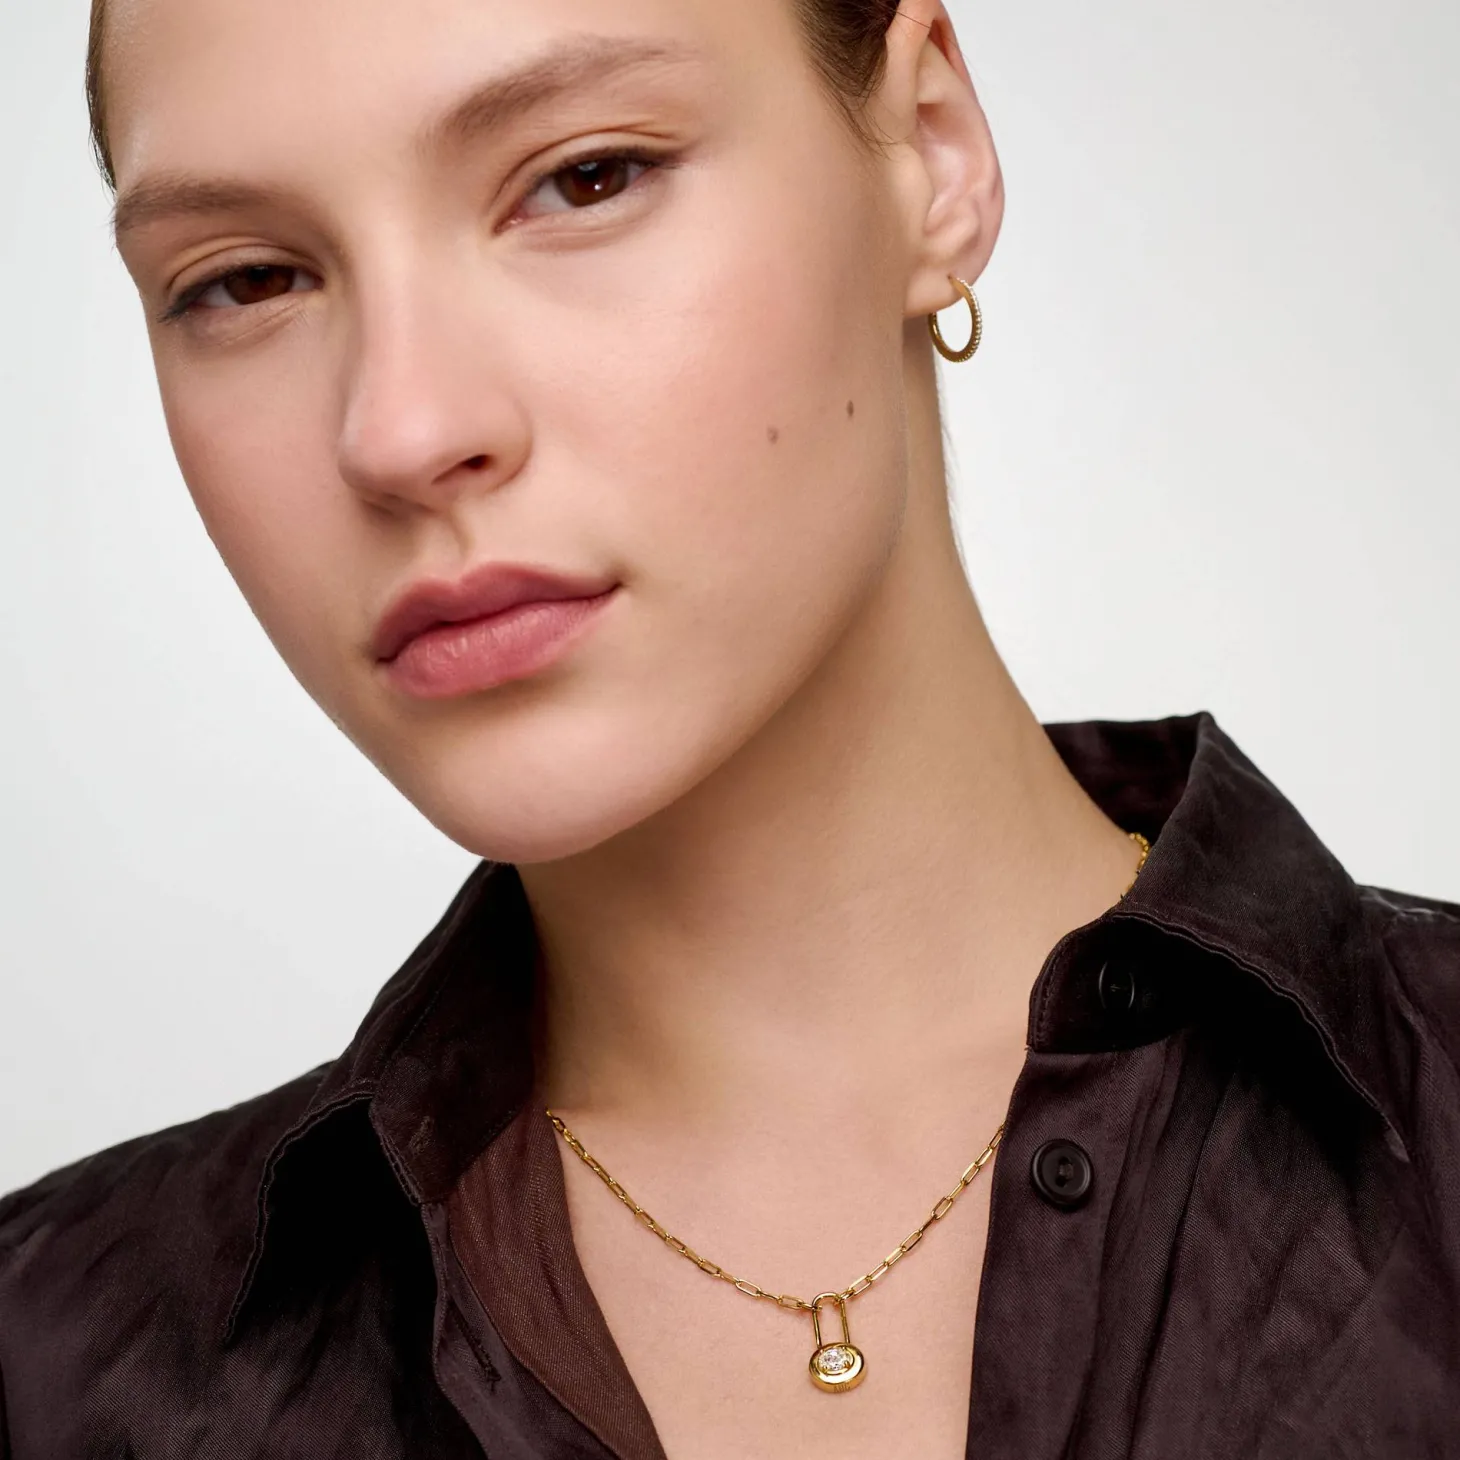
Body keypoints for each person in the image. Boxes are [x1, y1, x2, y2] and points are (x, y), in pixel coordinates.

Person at [1, 0, 1457, 1455]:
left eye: (583, 179)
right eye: (245, 279)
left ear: (931, 153)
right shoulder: (48, 1369)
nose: (400, 431)